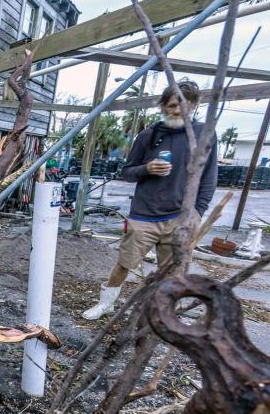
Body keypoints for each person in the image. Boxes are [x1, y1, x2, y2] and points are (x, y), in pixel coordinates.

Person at [82, 81, 217, 320]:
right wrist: (146, 169)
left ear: (195, 106)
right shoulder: (148, 136)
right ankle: (106, 304)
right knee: (125, 262)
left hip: (180, 216)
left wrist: (198, 212)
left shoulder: (204, 134)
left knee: (172, 271)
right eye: (172, 105)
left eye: (185, 106)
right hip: (144, 215)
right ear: (163, 106)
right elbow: (127, 172)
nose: (177, 111)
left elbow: (209, 177)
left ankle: (163, 312)